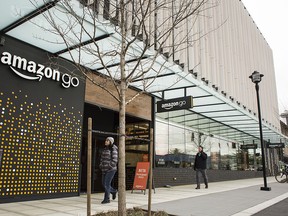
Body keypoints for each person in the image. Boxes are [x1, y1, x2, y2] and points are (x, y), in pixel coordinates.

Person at [99, 137, 118, 204]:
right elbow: (102, 159)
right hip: (104, 169)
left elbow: (115, 160)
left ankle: (106, 199)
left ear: (111, 142)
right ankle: (113, 191)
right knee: (103, 184)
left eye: (107, 140)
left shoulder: (113, 149)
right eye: (106, 140)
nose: (106, 141)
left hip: (111, 170)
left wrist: (109, 166)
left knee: (106, 184)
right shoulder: (105, 149)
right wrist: (101, 165)